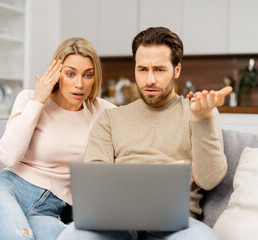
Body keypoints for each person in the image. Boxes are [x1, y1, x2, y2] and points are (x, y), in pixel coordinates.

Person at [57, 27, 232, 240]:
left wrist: (202, 119)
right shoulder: (111, 119)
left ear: (176, 70)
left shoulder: (198, 111)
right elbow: (95, 188)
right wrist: (163, 174)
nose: (149, 80)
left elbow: (210, 179)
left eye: (159, 70)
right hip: (116, 221)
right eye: (142, 69)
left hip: (177, 226)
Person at [0, 37, 116, 240]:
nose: (79, 84)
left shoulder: (102, 111)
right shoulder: (29, 98)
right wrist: (38, 100)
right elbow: (8, 157)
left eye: (88, 75)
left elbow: (141, 131)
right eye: (70, 73)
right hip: (7, 192)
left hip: (49, 210)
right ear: (57, 74)